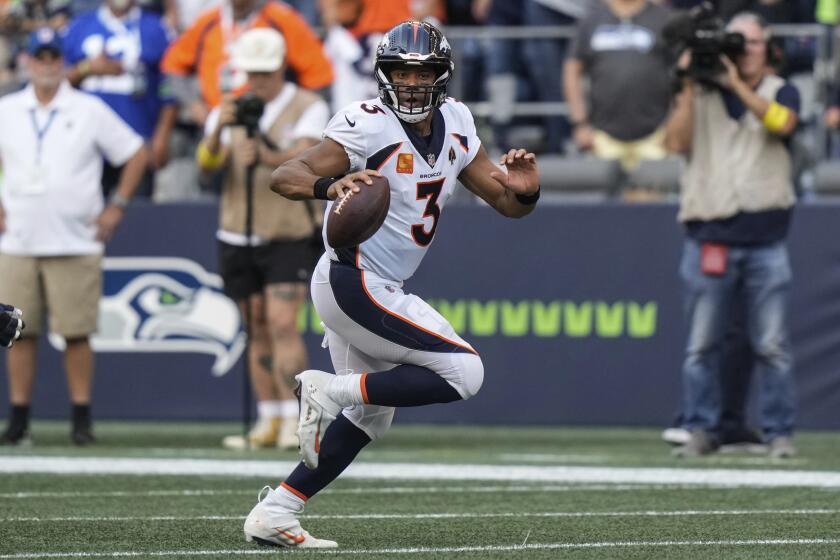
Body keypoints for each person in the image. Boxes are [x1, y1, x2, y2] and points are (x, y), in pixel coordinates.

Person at [240, 20, 540, 548]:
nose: (410, 83)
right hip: (352, 278)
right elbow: (283, 174)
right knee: (464, 372)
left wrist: (526, 193)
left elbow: (505, 203)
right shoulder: (368, 124)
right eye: (401, 71)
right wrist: (329, 183)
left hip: (374, 282)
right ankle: (324, 389)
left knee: (372, 417)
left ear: (442, 77)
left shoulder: (459, 123)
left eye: (421, 73)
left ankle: (276, 511)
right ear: (383, 75)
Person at [0, 28, 147, 446]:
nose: (46, 63)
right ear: (27, 61)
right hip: (19, 238)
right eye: (39, 56)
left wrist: (116, 204)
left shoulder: (88, 108)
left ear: (63, 62)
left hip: (75, 238)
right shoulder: (8, 108)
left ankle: (81, 417)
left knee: (77, 332)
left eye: (52, 56)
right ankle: (19, 418)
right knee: (16, 332)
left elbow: (135, 152)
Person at [664, 12, 799, 458]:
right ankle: (701, 428)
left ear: (768, 47)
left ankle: (779, 432)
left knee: (772, 346)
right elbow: (676, 144)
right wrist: (687, 82)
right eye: (738, 42)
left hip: (765, 239)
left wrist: (734, 82)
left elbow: (783, 124)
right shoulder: (699, 92)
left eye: (753, 42)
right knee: (701, 345)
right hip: (711, 236)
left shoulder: (783, 90)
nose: (746, 50)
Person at [197, 28, 329, 450]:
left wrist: (267, 155)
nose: (257, 81)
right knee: (254, 326)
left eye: (265, 73)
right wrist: (221, 131)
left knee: (281, 323)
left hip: (287, 230)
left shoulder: (308, 105)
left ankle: (297, 417)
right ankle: (267, 418)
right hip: (237, 230)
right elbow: (206, 165)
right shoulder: (228, 108)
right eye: (251, 73)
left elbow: (307, 157)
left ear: (280, 68)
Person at [63, 0, 177, 198]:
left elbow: (169, 85)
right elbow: (53, 80)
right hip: (87, 145)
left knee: (137, 219)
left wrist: (162, 135)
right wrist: (87, 69)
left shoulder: (156, 28)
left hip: (137, 141)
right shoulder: (79, 26)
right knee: (87, 215)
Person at [161, 0, 333, 125]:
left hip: (269, 121)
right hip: (218, 120)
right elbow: (172, 64)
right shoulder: (209, 20)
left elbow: (319, 76)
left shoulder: (281, 18)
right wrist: (194, 105)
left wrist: (296, 117)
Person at [564, 0, 673, 171]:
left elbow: (683, 72)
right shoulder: (592, 19)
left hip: (657, 135)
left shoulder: (664, 18)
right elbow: (572, 71)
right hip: (602, 136)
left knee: (652, 195)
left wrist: (674, 125)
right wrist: (580, 123)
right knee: (603, 195)